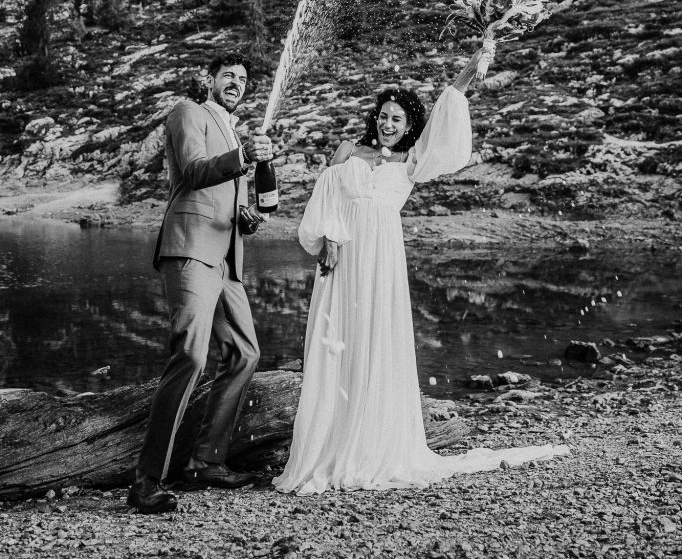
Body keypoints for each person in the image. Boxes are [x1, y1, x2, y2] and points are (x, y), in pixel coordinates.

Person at [273, 46, 568, 495]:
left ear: (409, 127)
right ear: (375, 118)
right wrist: (328, 236)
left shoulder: (411, 162)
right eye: (383, 116)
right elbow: (325, 197)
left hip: (382, 260)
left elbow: (447, 117)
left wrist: (475, 64)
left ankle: (372, 444)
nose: (387, 125)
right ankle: (328, 445)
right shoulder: (348, 150)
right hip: (344, 256)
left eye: (398, 120)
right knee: (338, 343)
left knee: (376, 340)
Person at [128, 53, 272, 515]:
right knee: (190, 353)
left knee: (245, 354)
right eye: (228, 76)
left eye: (243, 79)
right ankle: (147, 479)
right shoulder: (188, 112)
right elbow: (193, 172)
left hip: (226, 258)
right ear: (209, 81)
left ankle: (207, 459)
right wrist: (244, 155)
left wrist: (245, 218)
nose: (237, 83)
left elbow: (225, 192)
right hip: (190, 247)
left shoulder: (233, 130)